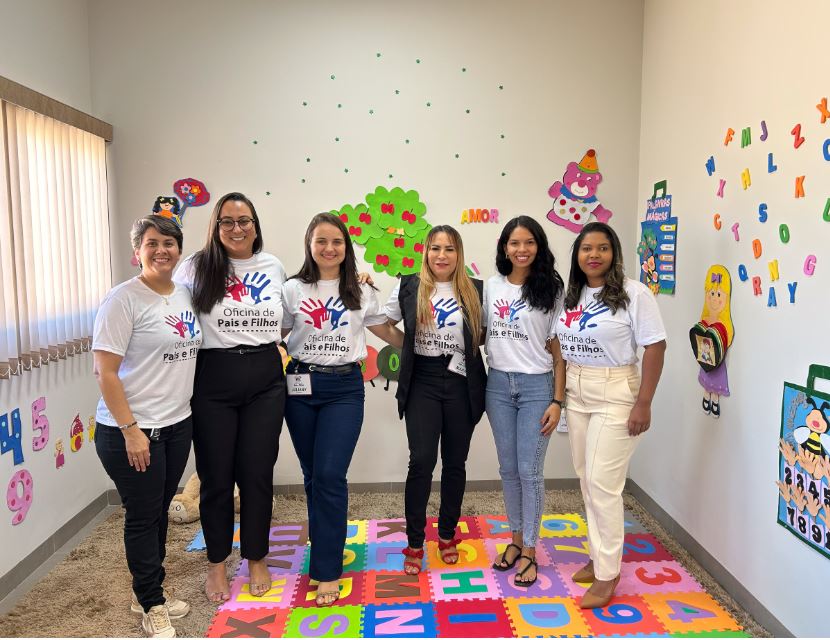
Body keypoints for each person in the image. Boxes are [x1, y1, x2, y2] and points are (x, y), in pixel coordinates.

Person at [281, 213, 402, 606]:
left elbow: (386, 331)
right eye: (321, 241)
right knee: (313, 474)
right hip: (299, 385)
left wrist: (428, 346)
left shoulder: (361, 290)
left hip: (344, 389)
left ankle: (327, 569)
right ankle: (324, 538)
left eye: (337, 241)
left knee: (331, 474)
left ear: (346, 246)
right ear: (309, 245)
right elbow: (272, 332)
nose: (329, 248)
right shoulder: (292, 290)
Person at [173, 192, 286, 603]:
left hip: (265, 377)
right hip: (213, 379)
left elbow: (292, 316)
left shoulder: (272, 266)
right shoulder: (195, 267)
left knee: (257, 473)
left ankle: (256, 557)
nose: (236, 229)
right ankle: (217, 562)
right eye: (227, 222)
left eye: (244, 220)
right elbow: (171, 310)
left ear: (255, 225)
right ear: (216, 227)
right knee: (216, 476)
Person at [93, 216, 200, 638]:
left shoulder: (185, 294)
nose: (161, 250)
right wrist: (131, 430)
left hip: (177, 424)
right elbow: (105, 373)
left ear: (179, 250)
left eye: (169, 243)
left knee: (157, 512)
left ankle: (148, 590)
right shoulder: (123, 300)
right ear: (137, 250)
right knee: (142, 516)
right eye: (152, 243)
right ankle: (151, 604)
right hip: (133, 432)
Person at [551, 221, 666, 608]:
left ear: (614, 253)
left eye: (602, 248)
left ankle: (608, 574)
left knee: (604, 484)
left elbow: (655, 346)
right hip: (577, 391)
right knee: (586, 480)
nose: (594, 255)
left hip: (617, 392)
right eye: (586, 249)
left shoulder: (635, 294)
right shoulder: (573, 294)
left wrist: (644, 402)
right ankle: (600, 556)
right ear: (577, 255)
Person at [384, 225, 487, 574]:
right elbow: (381, 324)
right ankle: (415, 540)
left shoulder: (476, 289)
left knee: (455, 463)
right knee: (422, 461)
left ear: (459, 254)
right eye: (435, 248)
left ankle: (446, 535)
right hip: (423, 381)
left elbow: (485, 334)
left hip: (461, 382)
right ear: (425, 252)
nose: (441, 255)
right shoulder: (409, 285)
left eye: (449, 249)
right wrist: (409, 346)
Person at [484, 215, 565, 587]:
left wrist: (557, 400)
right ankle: (515, 540)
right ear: (505, 247)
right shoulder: (491, 287)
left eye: (528, 242)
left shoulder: (551, 288)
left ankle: (530, 550)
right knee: (509, 470)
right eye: (514, 243)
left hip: (536, 387)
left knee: (530, 471)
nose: (521, 249)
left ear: (539, 246)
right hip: (498, 385)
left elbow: (558, 349)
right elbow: (479, 331)